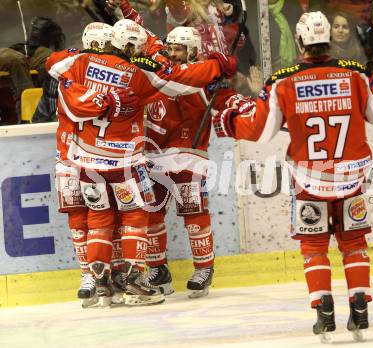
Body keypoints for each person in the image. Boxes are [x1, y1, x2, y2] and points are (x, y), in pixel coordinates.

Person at [212, 11, 373, 342]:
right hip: (351, 177)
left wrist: (230, 119)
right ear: (326, 41)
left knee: (313, 244)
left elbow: (260, 131)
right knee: (353, 242)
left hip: (310, 180)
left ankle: (324, 310)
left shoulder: (283, 81)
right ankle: (360, 306)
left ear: (300, 42)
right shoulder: (355, 75)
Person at [51, 18, 236, 307]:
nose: (172, 52)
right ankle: (138, 278)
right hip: (127, 161)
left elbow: (52, 63)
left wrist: (98, 91)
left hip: (91, 160)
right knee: (139, 217)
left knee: (101, 220)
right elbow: (176, 77)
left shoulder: (80, 63)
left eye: (180, 48)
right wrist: (216, 65)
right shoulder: (142, 74)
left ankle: (101, 277)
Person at [141, 26, 237, 299]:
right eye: (169, 48)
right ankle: (158, 269)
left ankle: (204, 268)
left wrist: (221, 69)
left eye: (178, 49)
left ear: (192, 50)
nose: (172, 53)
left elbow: (205, 81)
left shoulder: (201, 75)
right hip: (154, 157)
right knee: (151, 216)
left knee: (194, 217)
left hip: (188, 158)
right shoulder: (167, 70)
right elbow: (149, 40)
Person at [46, 21, 113, 308]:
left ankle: (109, 272)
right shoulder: (70, 69)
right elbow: (52, 61)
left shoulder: (111, 74)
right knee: (79, 216)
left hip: (101, 156)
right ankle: (88, 274)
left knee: (109, 217)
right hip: (71, 156)